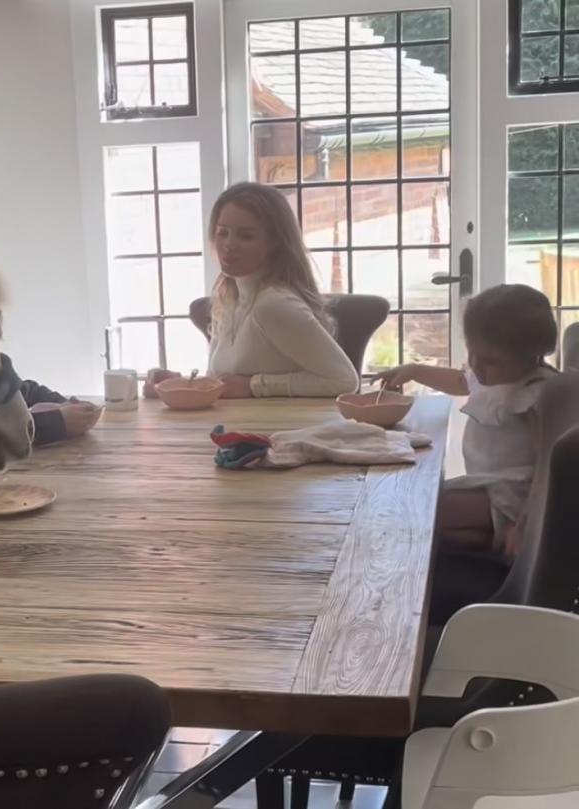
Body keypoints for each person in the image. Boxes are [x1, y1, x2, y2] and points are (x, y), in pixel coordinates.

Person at [377, 284, 558, 558]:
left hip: (514, 496)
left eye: (490, 360)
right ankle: (488, 540)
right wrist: (413, 370)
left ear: (531, 355)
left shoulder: (537, 393)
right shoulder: (490, 375)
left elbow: (551, 467)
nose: (475, 364)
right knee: (431, 520)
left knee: (419, 508)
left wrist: (528, 523)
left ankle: (504, 538)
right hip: (484, 486)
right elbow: (461, 381)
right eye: (471, 351)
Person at [150, 182, 359, 398]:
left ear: (274, 243)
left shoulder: (273, 305)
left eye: (246, 236)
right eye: (222, 232)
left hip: (277, 430)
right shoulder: (229, 298)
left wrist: (255, 386)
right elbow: (225, 384)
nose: (228, 244)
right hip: (235, 426)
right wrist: (180, 385)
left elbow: (345, 381)